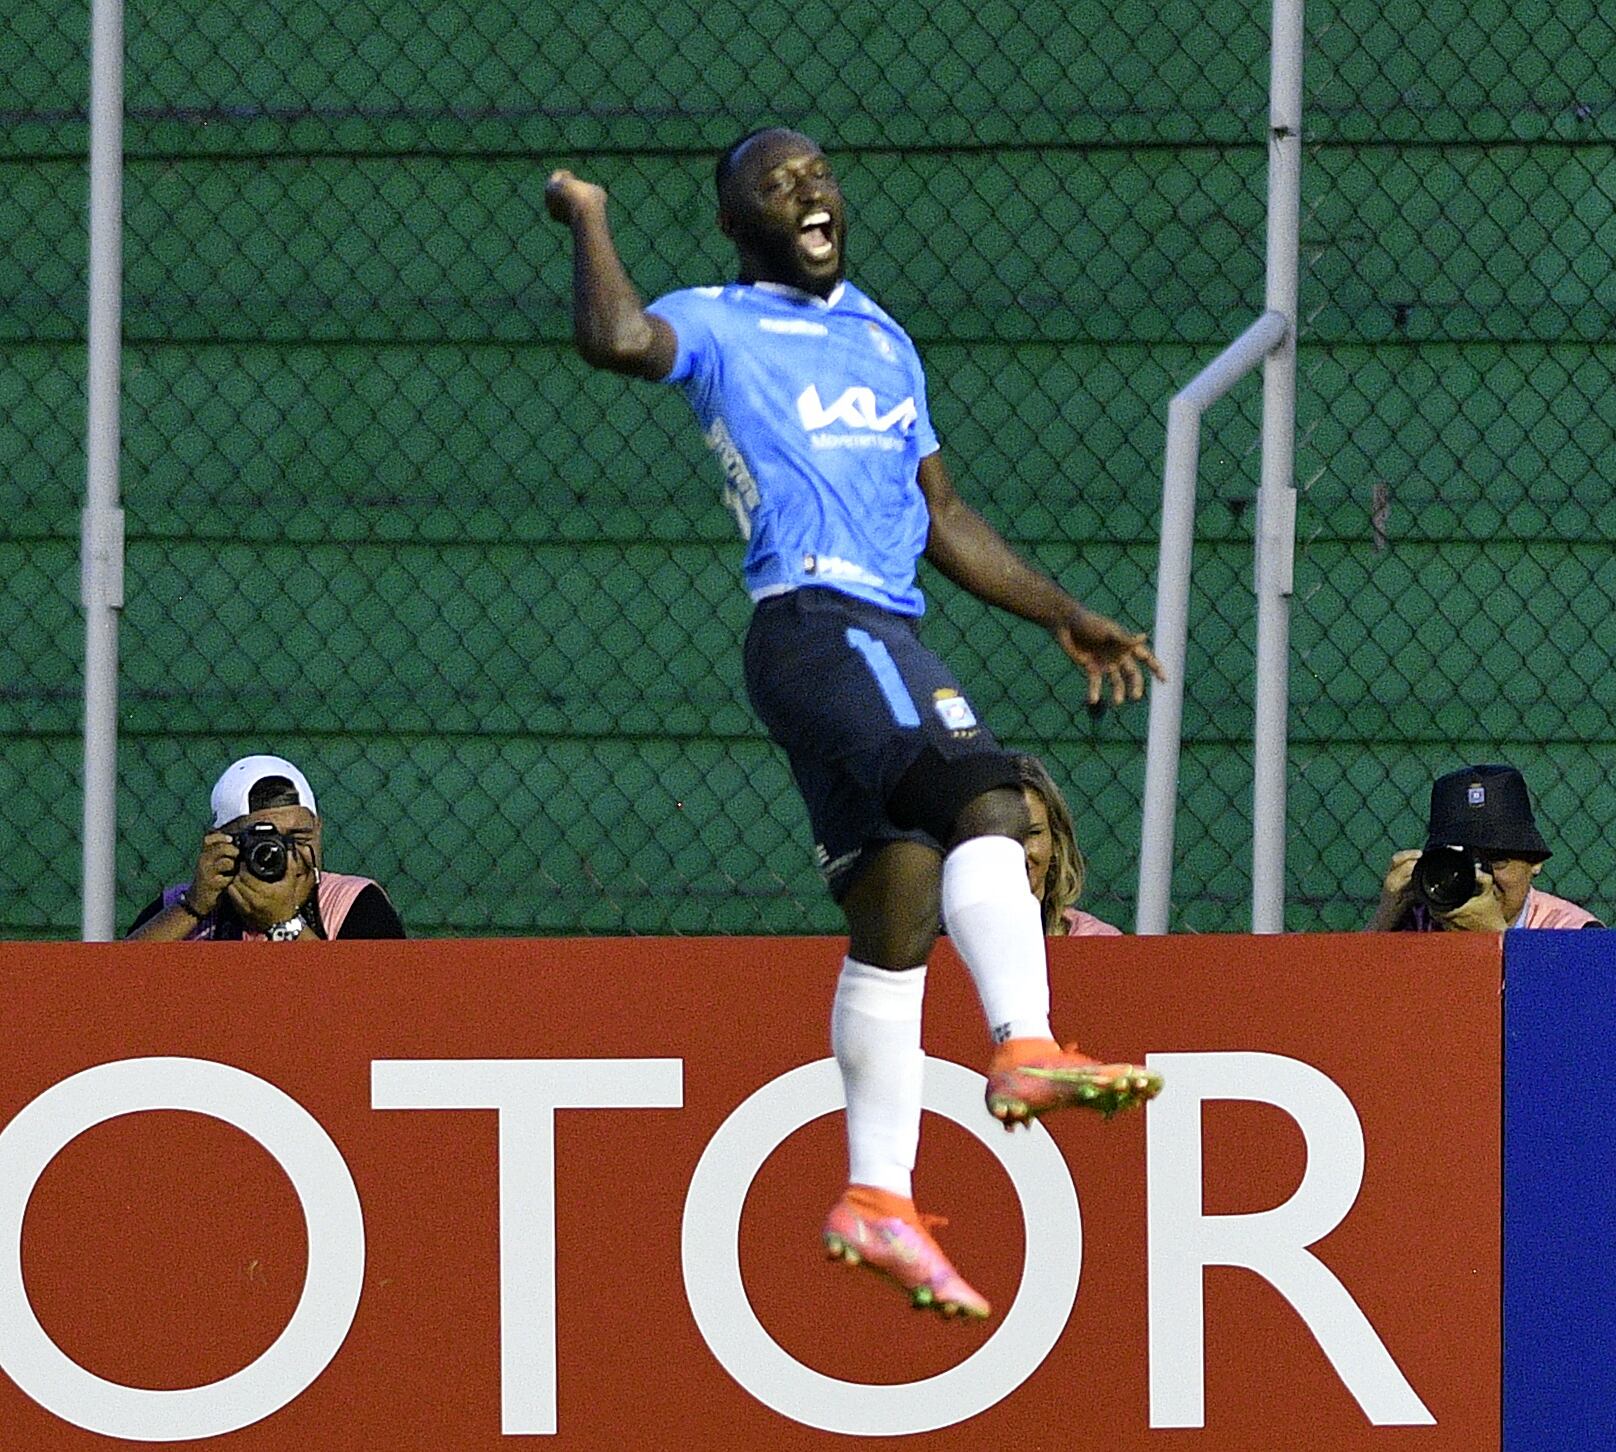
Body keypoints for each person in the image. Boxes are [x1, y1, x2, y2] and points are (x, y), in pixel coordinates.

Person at [545, 128, 1165, 1321]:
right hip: (822, 621)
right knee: (988, 799)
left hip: (861, 631)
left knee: (900, 905)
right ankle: (1026, 1043)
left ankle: (876, 1197)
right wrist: (588, 216)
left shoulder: (882, 337)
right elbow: (617, 338)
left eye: (817, 174)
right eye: (775, 185)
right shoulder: (721, 322)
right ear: (738, 225)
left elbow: (942, 511)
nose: (809, 190)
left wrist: (1061, 612)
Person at [126, 754, 406, 942]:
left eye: (298, 836)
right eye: (262, 841)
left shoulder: (350, 903)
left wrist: (284, 923)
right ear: (219, 842)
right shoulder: (183, 907)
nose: (282, 854)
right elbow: (114, 984)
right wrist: (193, 907)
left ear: (318, 830)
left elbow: (377, 1003)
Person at [1368, 762, 1600, 932]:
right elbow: (1347, 994)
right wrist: (1383, 919)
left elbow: (1579, 998)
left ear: (1535, 861)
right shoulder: (1416, 924)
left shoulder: (1572, 931)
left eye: (1498, 860)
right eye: (1463, 862)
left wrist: (1495, 937)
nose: (1481, 878)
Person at [1013, 754, 1119, 937]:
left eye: (1034, 833)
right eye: (1005, 836)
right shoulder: (951, 942)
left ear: (1056, 840)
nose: (1021, 853)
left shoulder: (1097, 941)